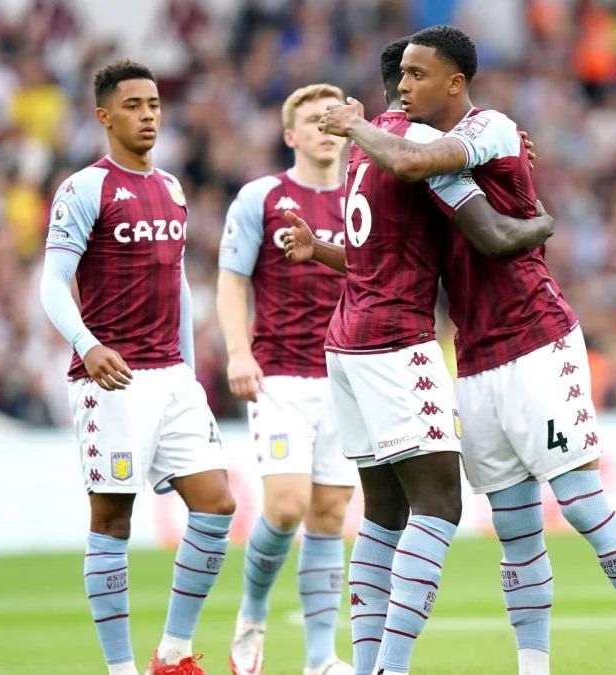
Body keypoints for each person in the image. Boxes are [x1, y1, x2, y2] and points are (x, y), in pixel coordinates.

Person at [317, 25, 616, 675]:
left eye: (418, 75)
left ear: (455, 83)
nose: (405, 87)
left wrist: (541, 222)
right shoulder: (423, 156)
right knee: (516, 528)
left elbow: (490, 230)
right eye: (401, 76)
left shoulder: (489, 128)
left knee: (580, 501)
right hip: (474, 355)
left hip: (536, 340)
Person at [282, 37, 555, 675]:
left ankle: (369, 660)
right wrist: (539, 216)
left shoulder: (361, 152)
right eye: (411, 77)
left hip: (345, 341)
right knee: (440, 505)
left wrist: (317, 250)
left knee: (383, 513)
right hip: (395, 342)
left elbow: (368, 255)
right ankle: (392, 667)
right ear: (409, 86)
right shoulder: (414, 151)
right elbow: (492, 236)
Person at [38, 59, 234, 675]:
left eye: (153, 104)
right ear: (104, 116)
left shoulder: (172, 189)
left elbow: (177, 284)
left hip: (172, 378)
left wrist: (189, 363)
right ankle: (119, 669)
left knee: (217, 504)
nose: (147, 114)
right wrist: (88, 344)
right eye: (133, 105)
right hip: (111, 379)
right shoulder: (85, 188)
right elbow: (50, 284)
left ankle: (172, 654)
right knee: (113, 517)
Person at [217, 83, 357, 675]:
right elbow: (231, 279)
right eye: (312, 120)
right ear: (290, 135)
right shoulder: (262, 197)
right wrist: (237, 351)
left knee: (329, 514)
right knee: (286, 506)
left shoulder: (365, 196)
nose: (325, 128)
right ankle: (251, 613)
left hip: (348, 378)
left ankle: (321, 658)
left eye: (334, 118)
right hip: (279, 375)